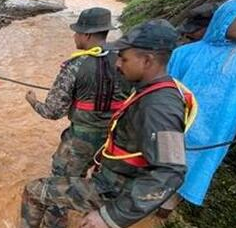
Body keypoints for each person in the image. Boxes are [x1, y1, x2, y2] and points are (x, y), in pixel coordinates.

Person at [21, 20, 196, 228]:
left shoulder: (160, 107)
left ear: (147, 61)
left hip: (114, 188)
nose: (118, 64)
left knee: (34, 191)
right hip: (111, 174)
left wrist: (112, 216)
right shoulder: (151, 90)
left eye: (124, 58)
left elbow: (170, 171)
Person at [25, 7, 130, 177]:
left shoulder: (75, 65)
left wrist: (33, 101)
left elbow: (53, 112)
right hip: (116, 139)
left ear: (87, 35)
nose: (74, 36)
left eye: (77, 33)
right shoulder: (126, 61)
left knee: (63, 183)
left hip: (83, 139)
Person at [164, 0, 236, 209]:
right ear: (224, 18)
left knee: (186, 179)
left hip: (214, 136)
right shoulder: (186, 53)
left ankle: (162, 212)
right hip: (173, 128)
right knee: (156, 170)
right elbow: (164, 89)